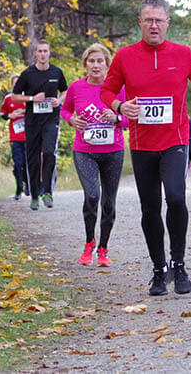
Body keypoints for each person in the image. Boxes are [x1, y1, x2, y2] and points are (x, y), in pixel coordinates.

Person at [100, 0, 191, 296]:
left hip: (175, 141)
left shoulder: (183, 54)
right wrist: (119, 106)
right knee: (150, 207)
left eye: (159, 20)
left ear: (168, 23)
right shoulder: (125, 56)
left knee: (177, 199)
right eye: (148, 20)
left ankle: (178, 264)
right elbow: (106, 91)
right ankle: (159, 269)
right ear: (140, 23)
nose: (154, 25)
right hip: (142, 144)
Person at [61, 43, 128, 267]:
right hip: (85, 151)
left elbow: (130, 116)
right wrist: (71, 120)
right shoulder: (77, 87)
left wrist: (117, 118)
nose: (96, 65)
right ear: (85, 64)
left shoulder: (119, 88)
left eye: (100, 61)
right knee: (92, 195)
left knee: (109, 203)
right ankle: (89, 242)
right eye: (92, 61)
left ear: (108, 64)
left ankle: (103, 249)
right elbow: (65, 109)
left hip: (113, 151)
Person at [12, 41, 68, 211]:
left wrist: (59, 100)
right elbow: (15, 96)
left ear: (49, 53)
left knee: (49, 152)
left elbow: (65, 90)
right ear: (35, 54)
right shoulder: (27, 74)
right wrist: (31, 99)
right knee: (33, 157)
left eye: (45, 51)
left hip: (51, 120)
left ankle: (48, 191)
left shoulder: (56, 72)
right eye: (40, 51)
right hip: (32, 121)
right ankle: (35, 195)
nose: (43, 54)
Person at [0, 75, 29, 200]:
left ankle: (28, 185)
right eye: (15, 83)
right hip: (15, 136)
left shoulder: (28, 97)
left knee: (28, 164)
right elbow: (2, 113)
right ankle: (18, 189)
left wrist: (25, 113)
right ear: (12, 85)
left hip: (29, 136)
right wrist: (10, 115)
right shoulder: (8, 98)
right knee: (18, 164)